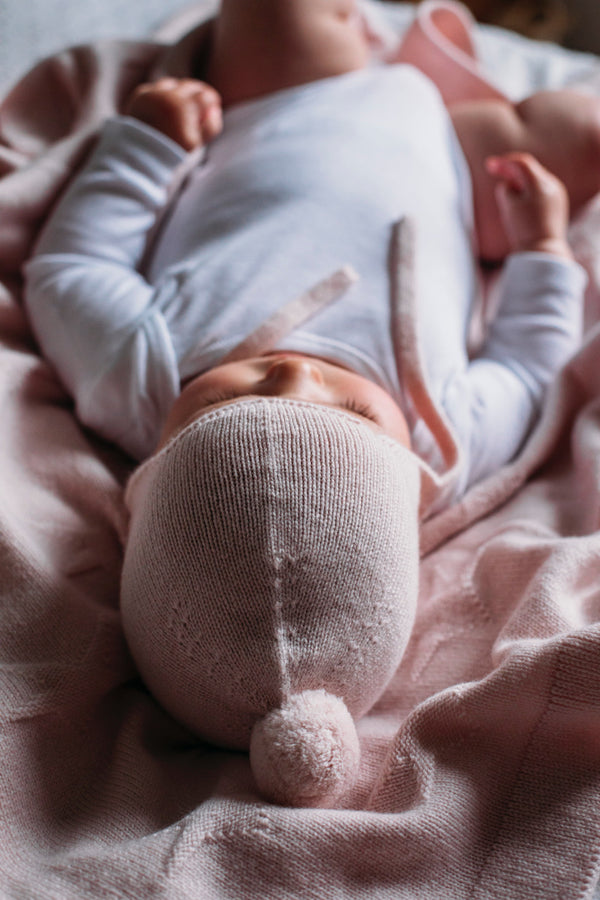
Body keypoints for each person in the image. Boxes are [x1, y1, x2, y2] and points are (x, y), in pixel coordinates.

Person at [22, 0, 588, 807]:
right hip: (474, 187)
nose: (293, 377)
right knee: (585, 132)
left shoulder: (137, 374)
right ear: (402, 484)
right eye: (353, 419)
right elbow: (527, 367)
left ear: (157, 466)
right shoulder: (441, 441)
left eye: (231, 404)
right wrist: (541, 250)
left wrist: (145, 148)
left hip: (289, 104)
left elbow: (69, 271)